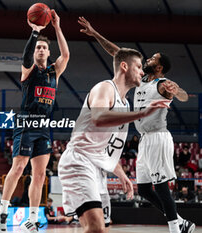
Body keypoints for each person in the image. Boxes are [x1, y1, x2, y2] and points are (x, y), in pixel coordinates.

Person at [78, 17, 195, 233]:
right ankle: (180, 221)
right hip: (144, 140)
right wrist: (95, 34)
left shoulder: (162, 84)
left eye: (152, 58)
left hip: (158, 137)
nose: (147, 59)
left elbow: (185, 96)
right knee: (144, 189)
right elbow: (118, 54)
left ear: (159, 67)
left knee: (160, 187)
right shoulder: (141, 80)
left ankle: (175, 230)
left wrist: (176, 90)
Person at [58, 46, 171, 233]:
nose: (142, 72)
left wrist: (121, 173)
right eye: (138, 67)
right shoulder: (105, 88)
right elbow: (98, 117)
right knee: (95, 227)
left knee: (102, 228)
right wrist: (142, 113)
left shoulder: (125, 103)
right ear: (125, 67)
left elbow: (107, 147)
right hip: (79, 161)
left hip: (98, 168)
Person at [0, 9, 70, 233]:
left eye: (44, 47)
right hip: (26, 121)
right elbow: (26, 56)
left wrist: (57, 27)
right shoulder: (28, 69)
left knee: (39, 174)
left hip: (44, 126)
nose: (41, 50)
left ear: (48, 52)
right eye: (38, 47)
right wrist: (35, 33)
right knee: (18, 168)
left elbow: (65, 56)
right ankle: (3, 212)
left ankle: (33, 218)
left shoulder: (54, 71)